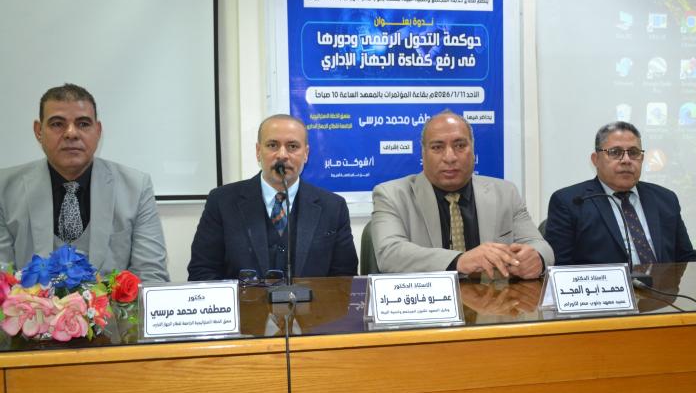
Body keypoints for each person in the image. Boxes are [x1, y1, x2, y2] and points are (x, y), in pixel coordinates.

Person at [0, 83, 169, 281]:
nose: (71, 133)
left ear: (98, 131)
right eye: (57, 124)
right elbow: (2, 278)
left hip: (113, 303)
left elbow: (151, 275)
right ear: (39, 131)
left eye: (83, 124)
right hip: (29, 302)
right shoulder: (4, 190)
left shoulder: (136, 187)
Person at [371, 111, 553, 278]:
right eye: (437, 147)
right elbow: (389, 254)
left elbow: (541, 247)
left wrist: (536, 258)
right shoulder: (392, 195)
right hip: (427, 299)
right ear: (423, 154)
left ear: (473, 151)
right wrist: (460, 260)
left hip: (492, 299)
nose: (450, 157)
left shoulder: (505, 193)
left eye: (460, 145)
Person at [188, 114, 358, 280]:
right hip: (244, 300)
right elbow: (201, 272)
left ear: (306, 153)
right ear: (258, 151)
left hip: (312, 300)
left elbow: (347, 279)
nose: (282, 155)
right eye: (272, 145)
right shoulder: (222, 202)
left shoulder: (333, 207)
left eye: (292, 146)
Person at [546, 121, 696, 265]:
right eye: (615, 152)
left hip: (664, 284)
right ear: (596, 159)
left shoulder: (665, 199)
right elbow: (560, 268)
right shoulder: (571, 202)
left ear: (642, 158)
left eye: (633, 152)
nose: (626, 160)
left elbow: (687, 258)